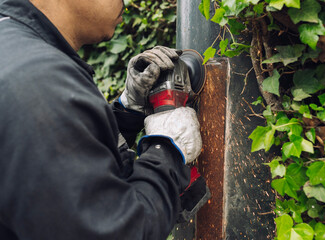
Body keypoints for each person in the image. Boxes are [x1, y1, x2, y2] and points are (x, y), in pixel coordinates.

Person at [0, 0, 202, 239]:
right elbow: (115, 230)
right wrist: (168, 150)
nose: (125, 2)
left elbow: (72, 162)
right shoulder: (39, 81)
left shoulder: (15, 46)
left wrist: (128, 110)